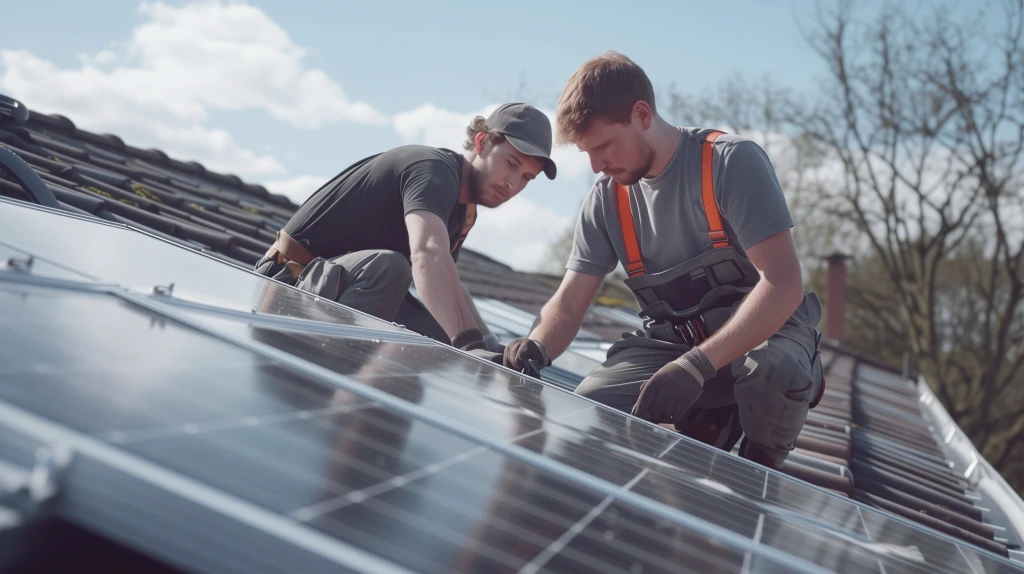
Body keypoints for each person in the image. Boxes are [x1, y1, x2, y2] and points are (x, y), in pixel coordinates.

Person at [500, 52, 824, 470]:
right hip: (676, 343)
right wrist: (538, 345)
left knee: (773, 369)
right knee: (592, 408)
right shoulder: (606, 200)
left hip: (765, 341)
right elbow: (569, 301)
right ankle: (711, 413)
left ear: (642, 115)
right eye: (587, 152)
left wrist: (695, 366)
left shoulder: (729, 163)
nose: (596, 165)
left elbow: (783, 283)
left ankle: (762, 466)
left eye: (602, 146)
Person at [254, 103, 557, 356]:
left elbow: (451, 284)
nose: (513, 183)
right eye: (511, 164)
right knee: (391, 268)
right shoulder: (434, 171)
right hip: (285, 286)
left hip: (330, 289)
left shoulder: (463, 212)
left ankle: (361, 419)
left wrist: (489, 347)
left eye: (527, 178)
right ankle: (330, 390)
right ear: (481, 143)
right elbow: (428, 254)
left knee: (439, 340)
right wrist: (469, 343)